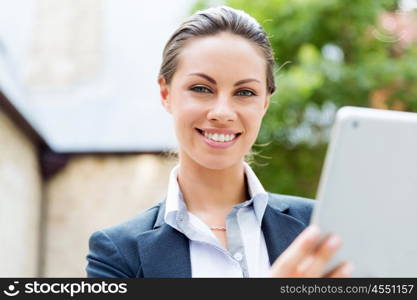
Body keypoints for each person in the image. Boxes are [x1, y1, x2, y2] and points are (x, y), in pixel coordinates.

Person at [86, 5, 353, 278]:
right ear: (166, 94)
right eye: (201, 89)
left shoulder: (319, 229)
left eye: (245, 92)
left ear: (264, 103)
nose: (222, 113)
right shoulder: (117, 255)